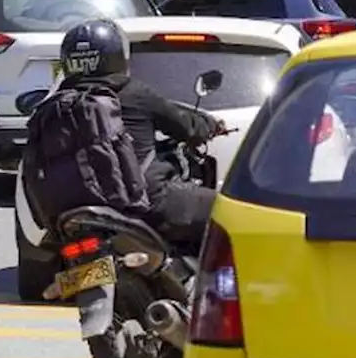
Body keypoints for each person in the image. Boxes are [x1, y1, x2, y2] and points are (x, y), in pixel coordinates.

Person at [45, 20, 224, 247]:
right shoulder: (135, 93)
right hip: (145, 202)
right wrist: (209, 126)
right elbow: (187, 127)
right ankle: (210, 281)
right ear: (119, 58)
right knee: (225, 210)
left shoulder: (57, 103)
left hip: (70, 209)